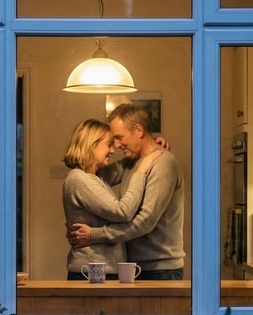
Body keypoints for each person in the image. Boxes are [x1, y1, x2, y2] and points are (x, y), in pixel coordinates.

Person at [67, 103, 185, 280]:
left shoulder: (163, 164)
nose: (115, 145)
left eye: (119, 137)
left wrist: (94, 234)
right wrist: (77, 218)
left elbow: (144, 222)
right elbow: (91, 176)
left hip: (159, 267)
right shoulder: (131, 162)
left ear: (139, 130)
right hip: (133, 265)